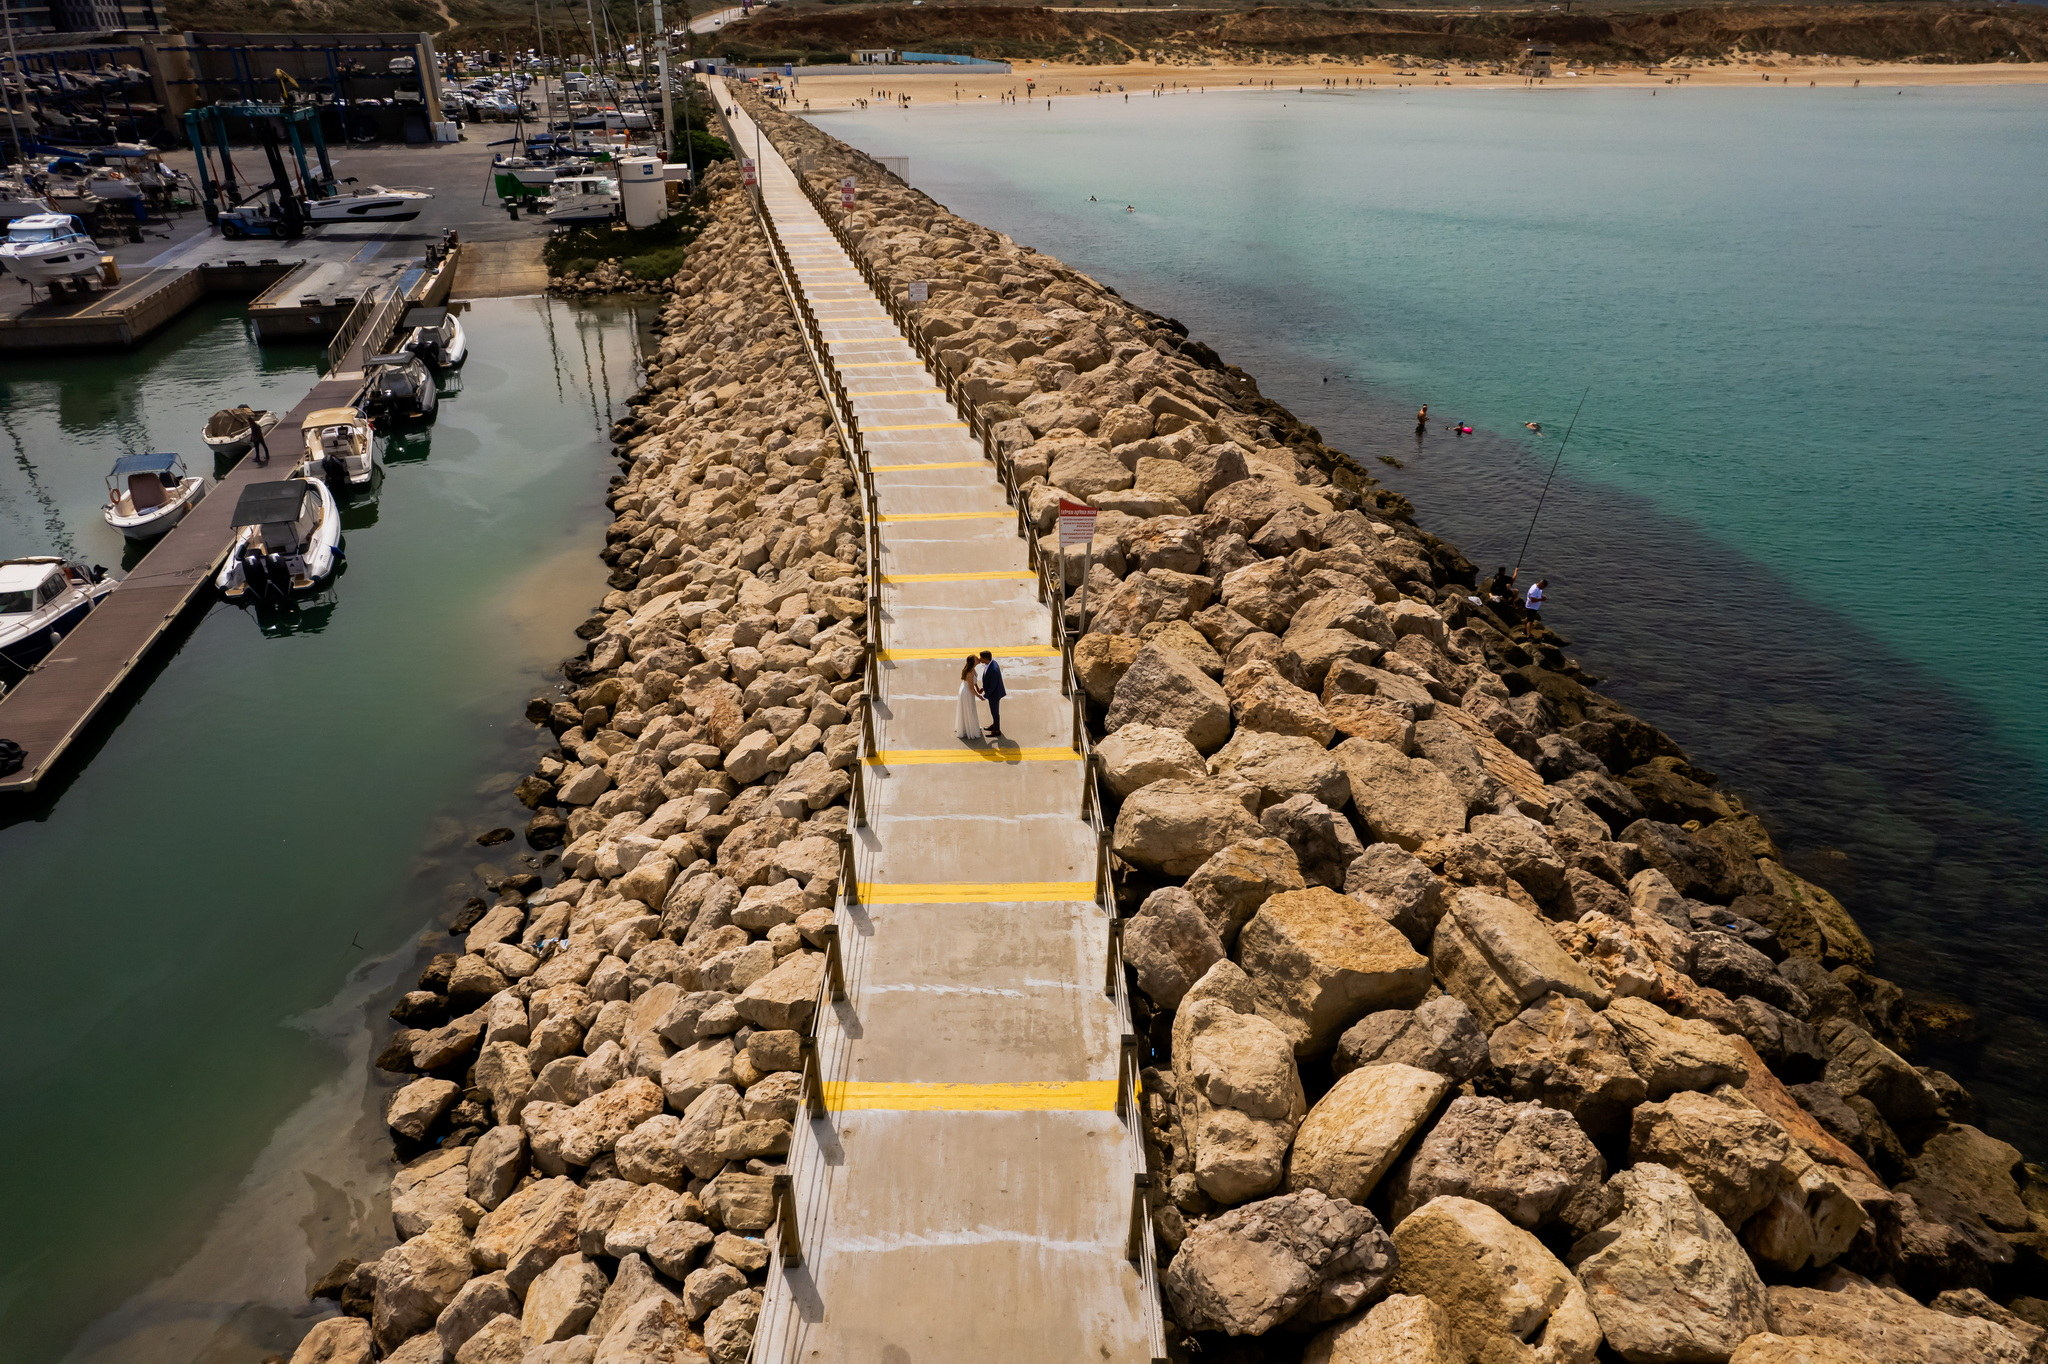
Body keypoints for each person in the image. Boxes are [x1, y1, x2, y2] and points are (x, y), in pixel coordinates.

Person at [977, 650, 1007, 739]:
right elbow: (989, 680)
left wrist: (984, 696)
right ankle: (994, 725)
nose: (980, 659)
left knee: (995, 712)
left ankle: (997, 730)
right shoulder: (991, 663)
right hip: (993, 693)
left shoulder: (993, 669)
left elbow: (993, 686)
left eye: (981, 657)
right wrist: (983, 688)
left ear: (985, 658)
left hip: (994, 694)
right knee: (994, 712)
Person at [955, 655, 983, 741]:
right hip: (967, 693)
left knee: (970, 709)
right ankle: (970, 730)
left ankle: (969, 726)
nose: (978, 659)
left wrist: (978, 688)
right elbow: (971, 688)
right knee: (969, 710)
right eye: (976, 659)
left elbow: (974, 683)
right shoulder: (969, 672)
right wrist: (979, 696)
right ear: (972, 662)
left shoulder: (972, 668)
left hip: (968, 690)